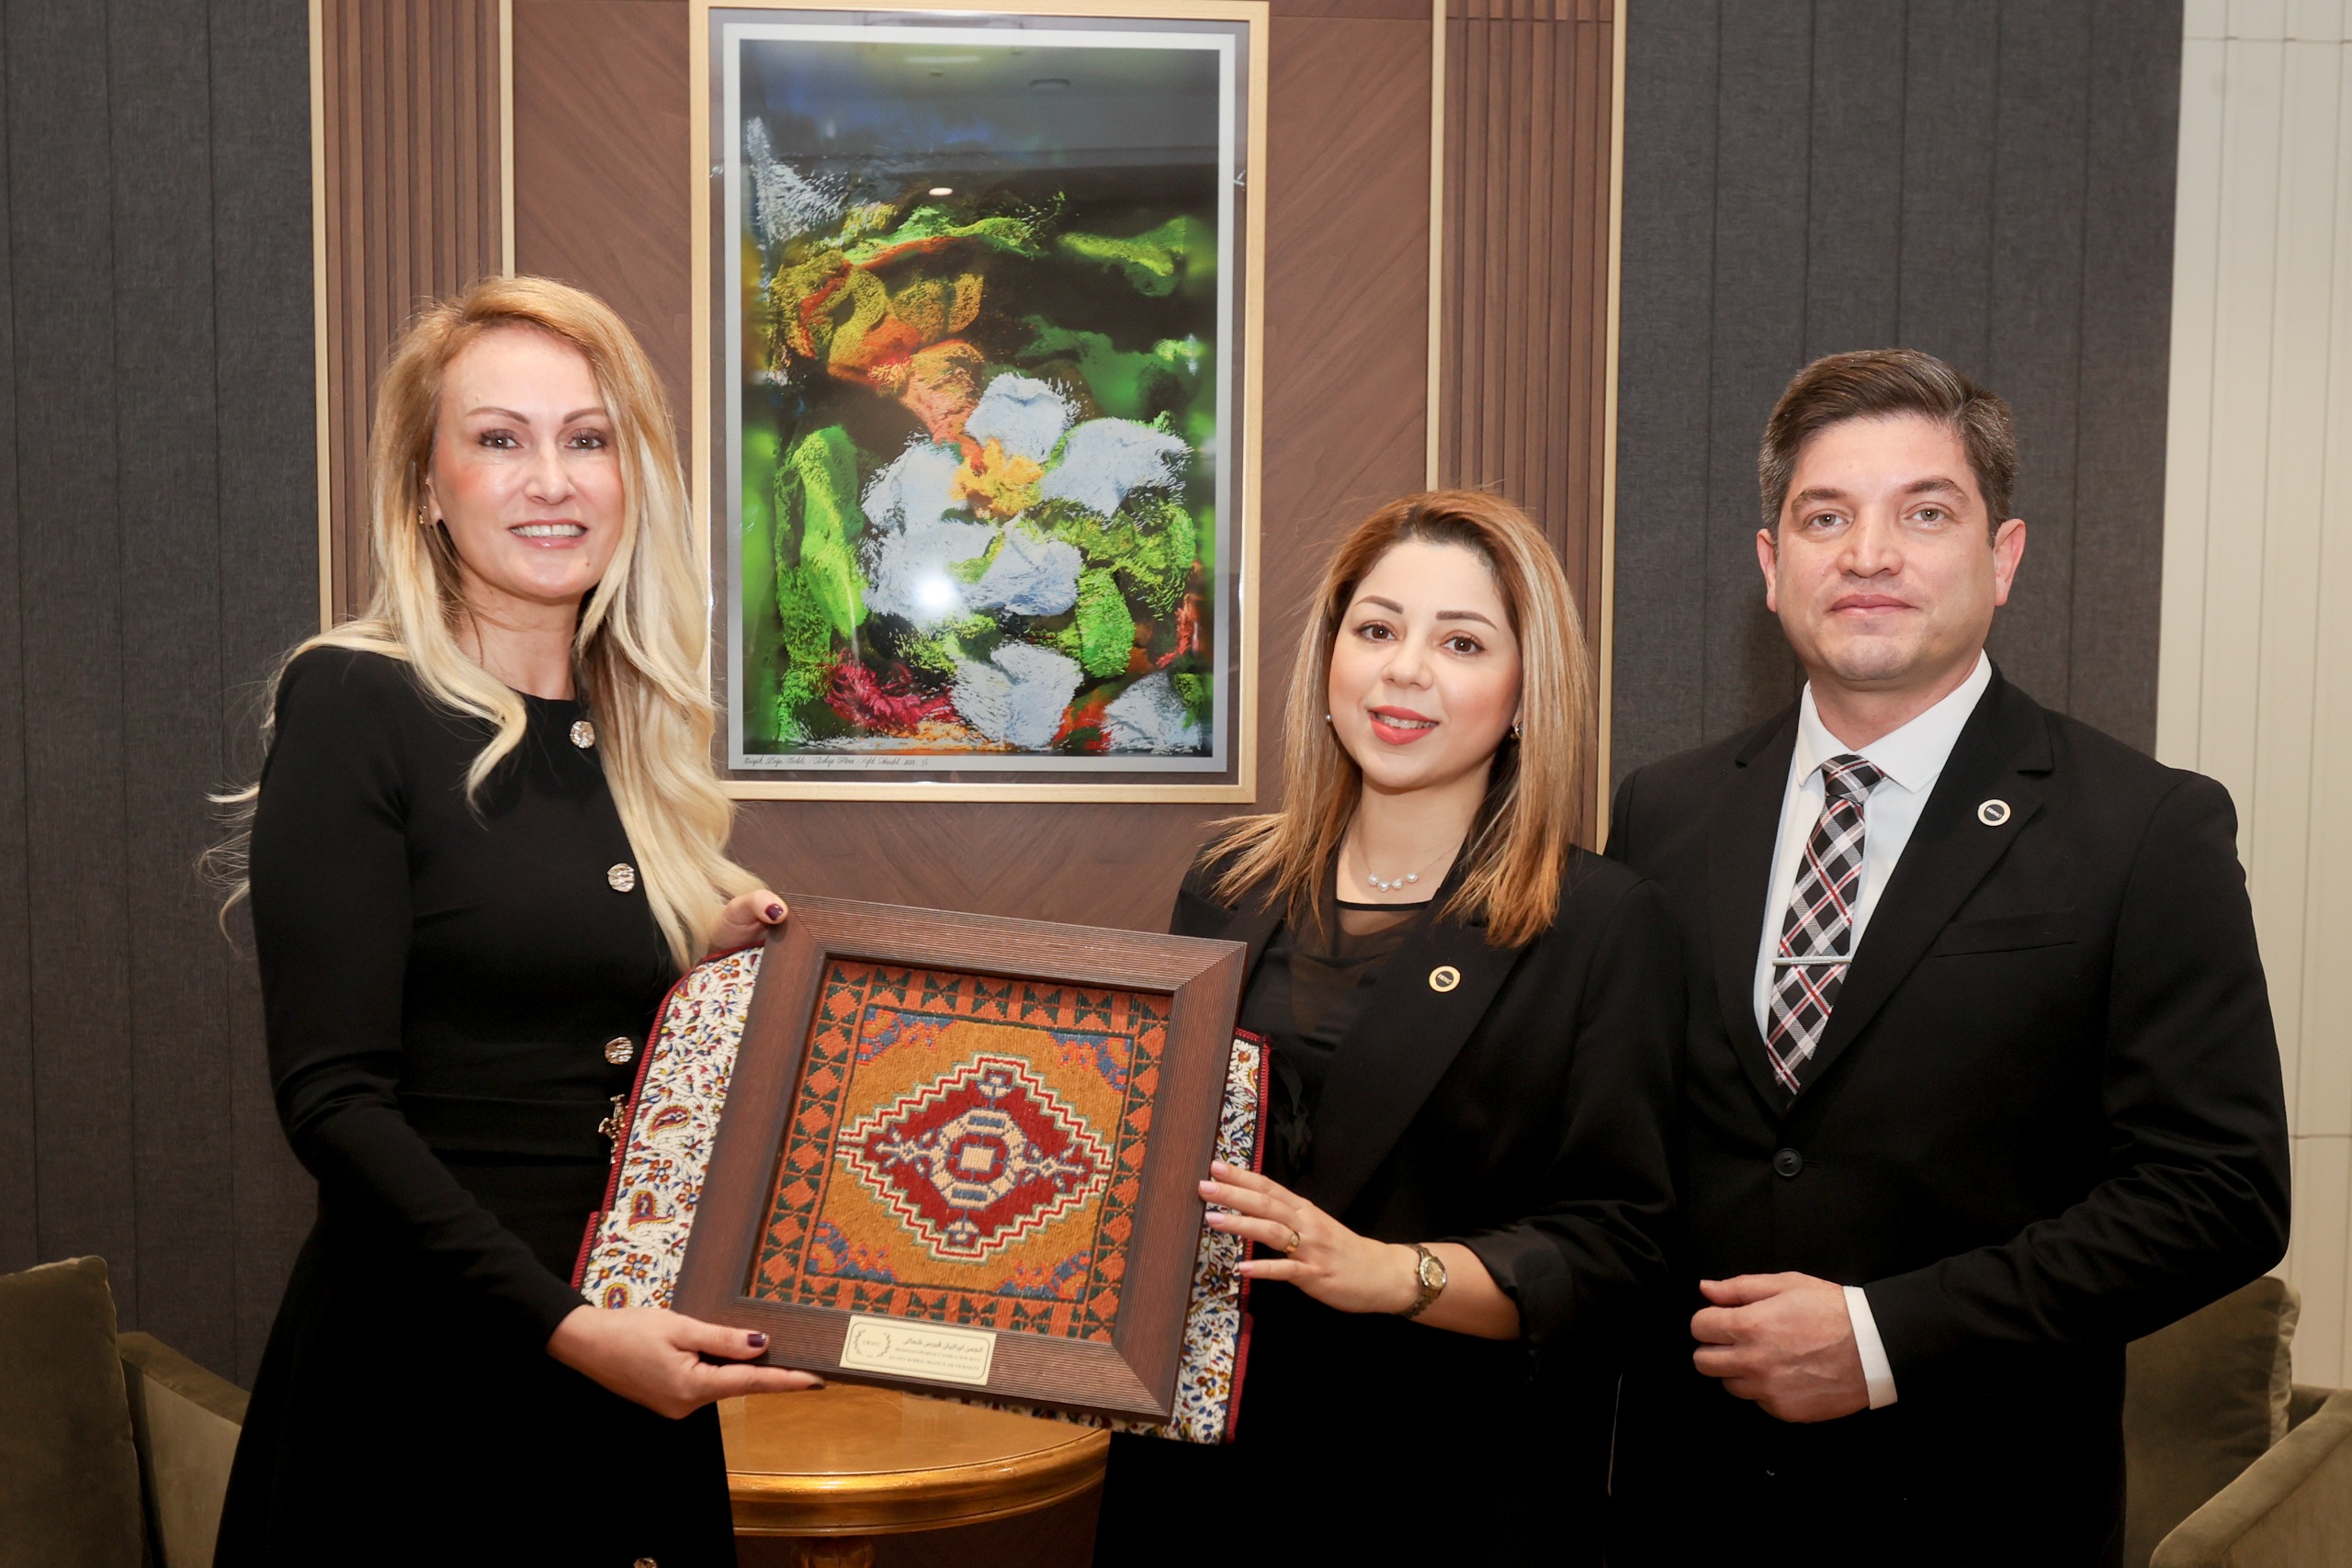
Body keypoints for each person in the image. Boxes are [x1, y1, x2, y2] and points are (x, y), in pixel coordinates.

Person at [1605, 349, 2290, 1565]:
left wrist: (1883, 1338)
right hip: (1684, 1508)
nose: (1868, 554)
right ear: (1771, 565)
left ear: (2003, 556)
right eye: (1825, 517)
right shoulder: (1665, 812)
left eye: (1924, 513)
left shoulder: (2145, 827)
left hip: (1982, 1510)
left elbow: (2217, 1194)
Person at [212, 276, 820, 1567]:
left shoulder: (631, 736)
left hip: (634, 1360)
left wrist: (695, 967)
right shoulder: (355, 699)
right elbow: (334, 1102)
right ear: (426, 488)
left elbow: (554, 1014)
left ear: (632, 475)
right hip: (430, 1384)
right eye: (500, 438)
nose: (552, 480)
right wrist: (572, 1330)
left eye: (588, 438)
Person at [1091, 491, 1681, 1565]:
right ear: (1330, 662)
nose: (1404, 669)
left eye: (1461, 642)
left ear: (1524, 693)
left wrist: (1393, 1272)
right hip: (1200, 1472)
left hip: (1435, 1484)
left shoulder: (1600, 921)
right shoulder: (1226, 880)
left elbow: (1616, 1249)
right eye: (1376, 629)